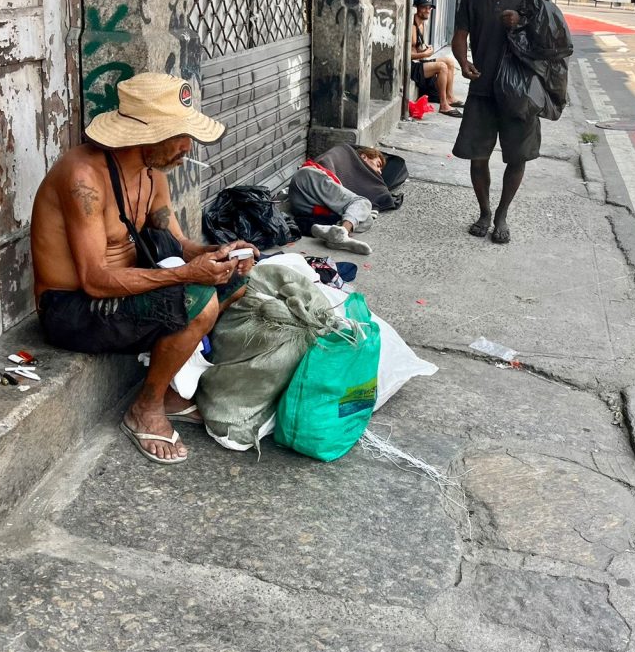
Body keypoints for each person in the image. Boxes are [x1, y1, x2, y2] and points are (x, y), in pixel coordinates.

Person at [31, 72, 259, 466]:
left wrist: (219, 254)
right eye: (179, 136)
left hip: (124, 292)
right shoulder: (82, 177)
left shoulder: (153, 173)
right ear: (145, 136)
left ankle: (171, 393)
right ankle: (146, 407)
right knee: (197, 300)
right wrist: (188, 276)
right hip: (71, 309)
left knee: (233, 282)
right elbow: (95, 280)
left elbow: (182, 246)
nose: (188, 148)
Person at [451, 0, 546, 244]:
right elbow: (460, 34)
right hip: (482, 88)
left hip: (521, 93)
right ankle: (484, 211)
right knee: (478, 155)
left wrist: (522, 22)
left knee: (516, 156)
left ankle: (503, 215)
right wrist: (463, 62)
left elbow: (550, 39)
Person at [287, 147, 386, 255]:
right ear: (364, 157)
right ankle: (343, 233)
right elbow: (331, 158)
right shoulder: (347, 156)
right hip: (307, 178)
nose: (379, 171)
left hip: (306, 207)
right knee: (363, 202)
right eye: (378, 164)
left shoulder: (358, 178)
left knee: (367, 220)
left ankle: (334, 235)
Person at [410, 0, 463, 117]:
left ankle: (449, 97)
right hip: (412, 66)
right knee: (442, 67)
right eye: (424, 7)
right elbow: (406, 55)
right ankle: (444, 105)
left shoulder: (422, 25)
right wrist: (425, 54)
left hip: (418, 62)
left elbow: (418, 50)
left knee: (449, 61)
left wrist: (425, 50)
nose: (428, 10)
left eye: (429, 7)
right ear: (416, 8)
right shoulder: (411, 26)